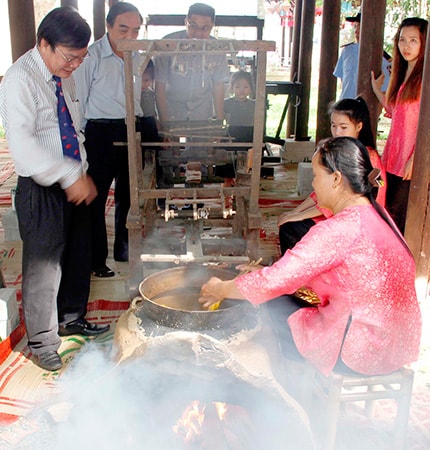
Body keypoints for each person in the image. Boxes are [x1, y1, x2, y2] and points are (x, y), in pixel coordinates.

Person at [199, 136, 421, 377]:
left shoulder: (338, 230)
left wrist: (221, 288)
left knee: (269, 303)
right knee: (279, 292)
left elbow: (272, 284)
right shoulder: (379, 217)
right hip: (396, 346)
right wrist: (270, 272)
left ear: (336, 179)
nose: (313, 185)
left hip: (360, 352)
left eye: (316, 176)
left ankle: (290, 384)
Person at [0, 7, 110, 372]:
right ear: (44, 44)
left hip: (73, 175)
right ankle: (43, 342)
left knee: (79, 252)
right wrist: (67, 174)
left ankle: (72, 317)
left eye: (81, 57)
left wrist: (81, 169)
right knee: (44, 267)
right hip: (42, 183)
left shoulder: (66, 74)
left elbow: (73, 126)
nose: (75, 65)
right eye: (69, 56)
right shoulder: (19, 80)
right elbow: (24, 147)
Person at [74, 2, 144, 276]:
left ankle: (124, 250)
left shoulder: (138, 56)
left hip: (131, 129)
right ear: (108, 26)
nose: (130, 36)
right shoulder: (91, 57)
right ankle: (96, 259)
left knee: (129, 194)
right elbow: (78, 101)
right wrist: (79, 141)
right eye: (123, 29)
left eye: (136, 30)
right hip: (99, 132)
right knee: (96, 196)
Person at [277, 96, 386, 255]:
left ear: (359, 126)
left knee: (291, 229)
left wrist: (299, 216)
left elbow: (337, 201)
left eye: (343, 127)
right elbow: (320, 194)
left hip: (357, 222)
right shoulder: (342, 151)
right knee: (291, 222)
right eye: (333, 126)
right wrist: (296, 212)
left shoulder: (364, 157)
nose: (337, 132)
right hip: (338, 213)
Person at [371, 17, 428, 234]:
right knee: (389, 211)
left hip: (410, 161)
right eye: (402, 40)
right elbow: (397, 112)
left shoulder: (425, 78)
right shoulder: (404, 74)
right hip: (393, 158)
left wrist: (416, 158)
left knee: (402, 218)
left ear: (425, 42)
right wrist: (377, 90)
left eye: (414, 40)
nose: (406, 46)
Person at [154, 2, 230, 125]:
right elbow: (159, 86)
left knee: (203, 144)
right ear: (186, 22)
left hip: (203, 110)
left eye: (205, 28)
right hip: (171, 108)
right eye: (193, 26)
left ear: (212, 26)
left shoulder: (217, 49)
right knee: (170, 143)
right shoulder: (167, 44)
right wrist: (164, 123)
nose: (198, 33)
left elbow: (218, 86)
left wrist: (219, 123)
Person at [334, 12, 391, 100]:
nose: (357, 30)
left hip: (365, 108)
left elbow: (385, 89)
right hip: (345, 104)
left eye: (361, 26)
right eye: (355, 26)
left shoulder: (380, 56)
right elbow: (343, 81)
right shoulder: (347, 51)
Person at [217, 70, 256, 185]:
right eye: (238, 87)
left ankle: (242, 192)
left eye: (245, 87)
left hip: (248, 136)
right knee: (228, 168)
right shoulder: (226, 103)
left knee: (246, 168)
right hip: (231, 136)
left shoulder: (254, 104)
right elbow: (219, 119)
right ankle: (227, 195)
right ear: (232, 88)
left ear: (250, 88)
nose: (241, 90)